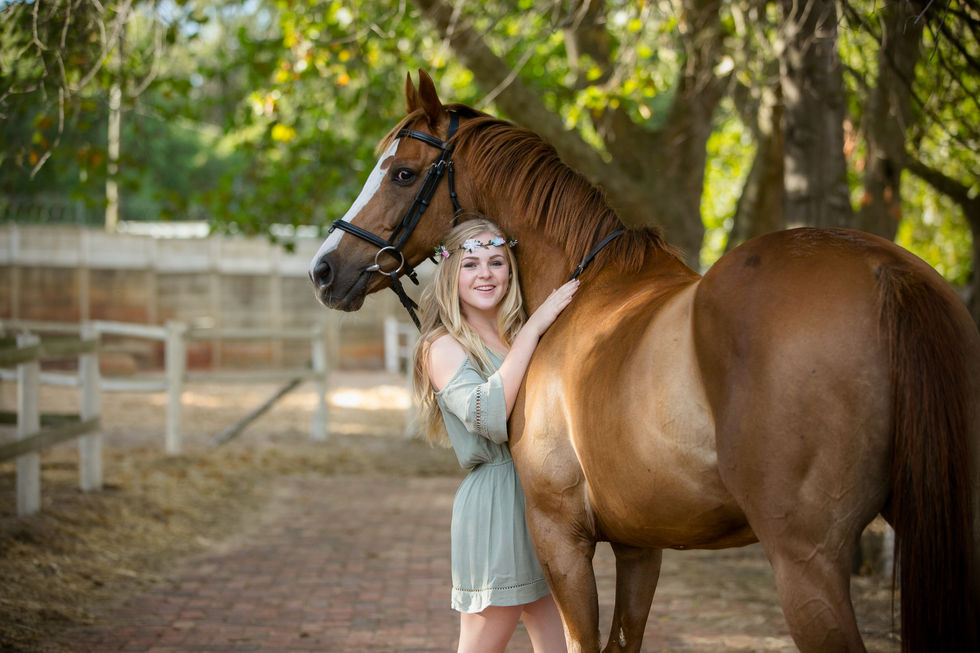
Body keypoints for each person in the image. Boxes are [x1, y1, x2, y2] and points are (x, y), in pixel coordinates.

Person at [412, 215, 578, 653]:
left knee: (562, 646)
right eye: (470, 264)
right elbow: (487, 415)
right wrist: (536, 326)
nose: (485, 274)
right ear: (451, 273)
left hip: (542, 500)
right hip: (497, 507)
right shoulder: (443, 346)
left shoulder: (514, 334)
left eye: (496, 262)